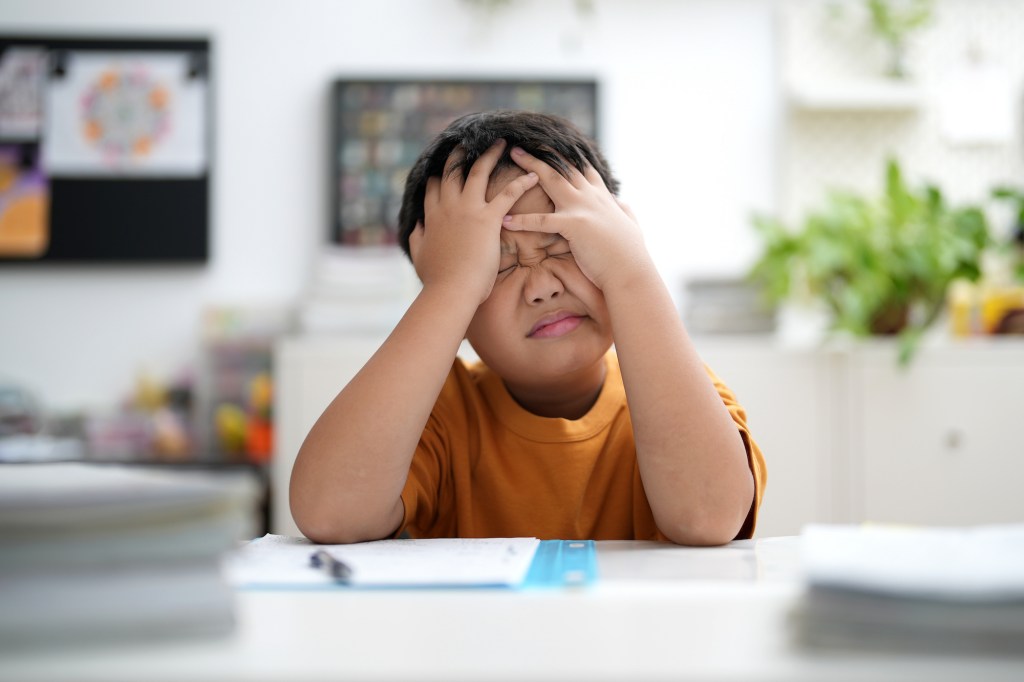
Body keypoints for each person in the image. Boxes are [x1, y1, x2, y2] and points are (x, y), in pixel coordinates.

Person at [290, 111, 765, 546]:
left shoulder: (679, 391)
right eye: (494, 267)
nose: (541, 287)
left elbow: (707, 518)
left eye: (562, 245)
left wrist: (632, 273)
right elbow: (331, 515)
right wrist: (449, 286)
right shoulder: (435, 412)